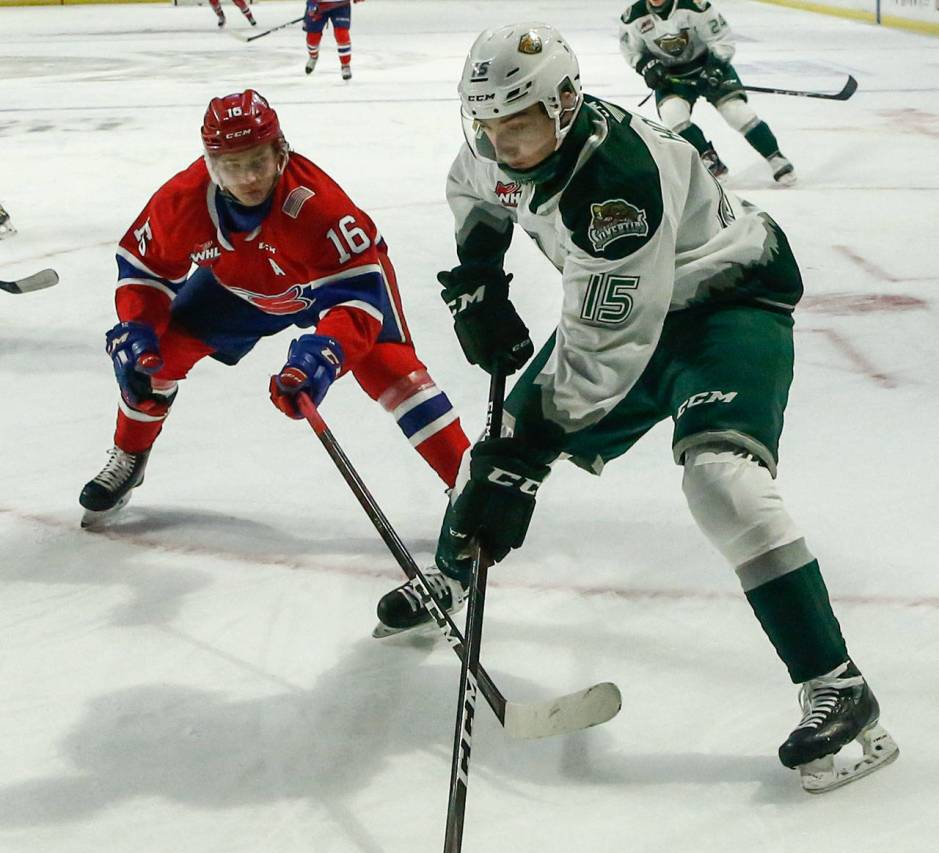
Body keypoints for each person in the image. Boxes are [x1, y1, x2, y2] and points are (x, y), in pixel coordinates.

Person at [375, 23, 897, 791]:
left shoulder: (614, 182)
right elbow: (474, 188)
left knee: (720, 480)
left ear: (563, 103)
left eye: (515, 124)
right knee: (503, 439)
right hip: (625, 310)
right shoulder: (495, 145)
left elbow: (603, 351)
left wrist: (520, 465)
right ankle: (452, 575)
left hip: (724, 303)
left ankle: (837, 684)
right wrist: (478, 276)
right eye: (484, 124)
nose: (499, 142)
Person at [79, 89, 469, 528]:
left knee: (393, 370)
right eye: (233, 166)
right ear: (211, 165)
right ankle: (129, 454)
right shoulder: (183, 200)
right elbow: (144, 270)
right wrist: (138, 326)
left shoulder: (317, 204)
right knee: (154, 359)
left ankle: (471, 487)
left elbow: (356, 300)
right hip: (241, 286)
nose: (248, 178)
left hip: (334, 287)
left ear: (280, 152)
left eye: (258, 162)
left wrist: (326, 355)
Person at [619, 0, 795, 184]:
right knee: (673, 115)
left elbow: (721, 40)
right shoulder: (633, 17)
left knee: (737, 112)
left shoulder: (695, 6)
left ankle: (775, 157)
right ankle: (710, 161)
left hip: (708, 65)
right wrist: (647, 67)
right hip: (671, 77)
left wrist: (714, 68)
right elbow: (631, 52)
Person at [304, 0, 365, 80]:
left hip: (341, 5)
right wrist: (311, 3)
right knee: (312, 38)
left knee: (342, 34)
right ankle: (313, 56)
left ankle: (345, 65)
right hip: (318, 5)